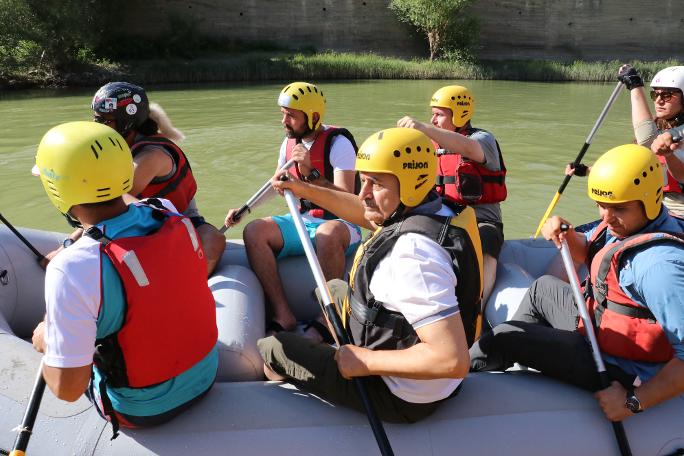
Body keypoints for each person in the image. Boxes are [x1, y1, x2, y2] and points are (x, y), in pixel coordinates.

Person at [257, 127, 483, 423]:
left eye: (374, 184)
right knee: (336, 287)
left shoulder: (413, 256)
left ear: (410, 184)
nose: (362, 194)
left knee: (271, 347)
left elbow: (451, 359)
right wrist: (304, 189)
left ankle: (289, 372)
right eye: (363, 181)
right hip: (411, 356)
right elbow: (364, 212)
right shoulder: (438, 209)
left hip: (400, 394)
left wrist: (364, 361)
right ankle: (327, 340)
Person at [470, 144, 684, 422]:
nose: (606, 217)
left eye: (618, 208)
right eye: (601, 205)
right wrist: (568, 235)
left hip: (620, 370)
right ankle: (521, 371)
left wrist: (633, 403)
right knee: (543, 288)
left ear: (652, 199)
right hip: (599, 328)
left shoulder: (659, 268)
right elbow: (596, 255)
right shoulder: (633, 223)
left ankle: (458, 383)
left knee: (505, 337)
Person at [31, 121, 219, 438]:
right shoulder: (170, 212)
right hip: (206, 375)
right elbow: (131, 203)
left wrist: (46, 336)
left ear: (57, 188)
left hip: (139, 410)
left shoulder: (71, 267)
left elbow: (67, 390)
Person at [224, 81, 361, 339]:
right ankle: (283, 314)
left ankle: (326, 320)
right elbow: (276, 182)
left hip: (342, 224)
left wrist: (311, 174)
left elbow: (349, 198)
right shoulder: (287, 144)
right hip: (305, 219)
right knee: (255, 232)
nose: (284, 121)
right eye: (283, 114)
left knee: (328, 232)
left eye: (291, 116)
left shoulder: (339, 143)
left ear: (314, 117)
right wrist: (245, 209)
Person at [44, 82, 226, 275]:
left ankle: (185, 286)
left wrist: (65, 247)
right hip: (140, 226)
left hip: (183, 224)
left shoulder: (151, 156)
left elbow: (106, 208)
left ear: (126, 122)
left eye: (104, 120)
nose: (98, 126)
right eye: (97, 119)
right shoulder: (117, 150)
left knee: (213, 239)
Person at [397, 84, 506, 311]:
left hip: (481, 220)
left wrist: (424, 128)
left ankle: (477, 309)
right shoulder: (430, 144)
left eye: (439, 114)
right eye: (432, 114)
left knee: (486, 242)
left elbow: (467, 147)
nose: (433, 119)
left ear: (460, 113)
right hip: (443, 215)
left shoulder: (483, 139)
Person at [618, 64, 684, 216]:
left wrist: (635, 86)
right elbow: (632, 165)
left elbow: (648, 140)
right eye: (655, 95)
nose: (659, 101)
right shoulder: (658, 127)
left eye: (667, 95)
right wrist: (588, 170)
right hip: (654, 200)